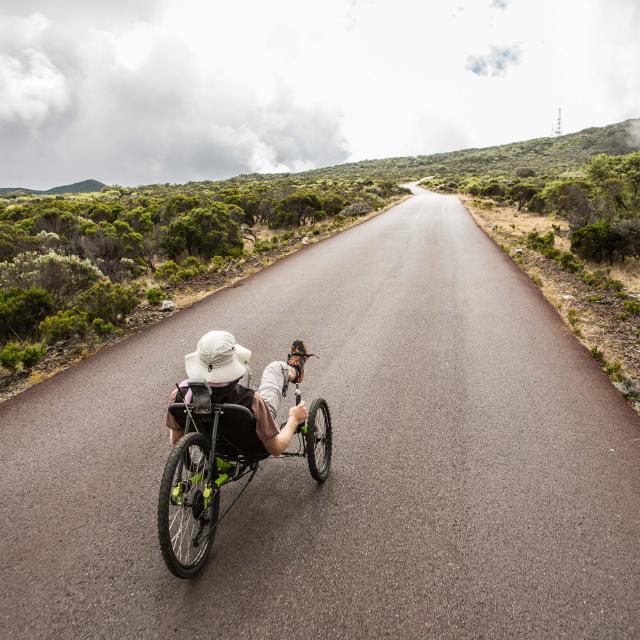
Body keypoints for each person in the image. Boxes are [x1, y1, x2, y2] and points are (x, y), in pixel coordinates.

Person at [165, 331, 312, 456]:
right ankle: (295, 370)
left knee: (245, 370)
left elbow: (176, 441)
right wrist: (294, 419)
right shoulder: (253, 401)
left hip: (211, 446)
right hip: (252, 446)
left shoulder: (179, 395)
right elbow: (276, 449)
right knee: (275, 368)